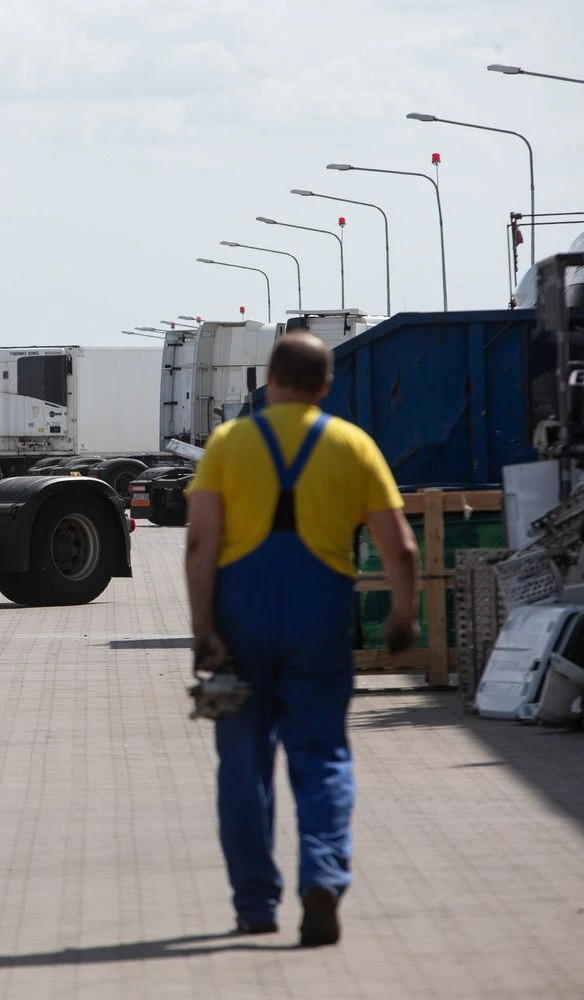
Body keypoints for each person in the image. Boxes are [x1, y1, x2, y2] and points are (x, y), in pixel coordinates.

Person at [184, 332, 419, 948]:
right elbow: (400, 547)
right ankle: (323, 876)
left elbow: (200, 543)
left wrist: (204, 629)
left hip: (241, 622)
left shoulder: (227, 444)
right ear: (325, 385)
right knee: (322, 756)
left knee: (243, 765)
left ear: (268, 380)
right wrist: (403, 615)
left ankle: (256, 905)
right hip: (320, 618)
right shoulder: (352, 445)